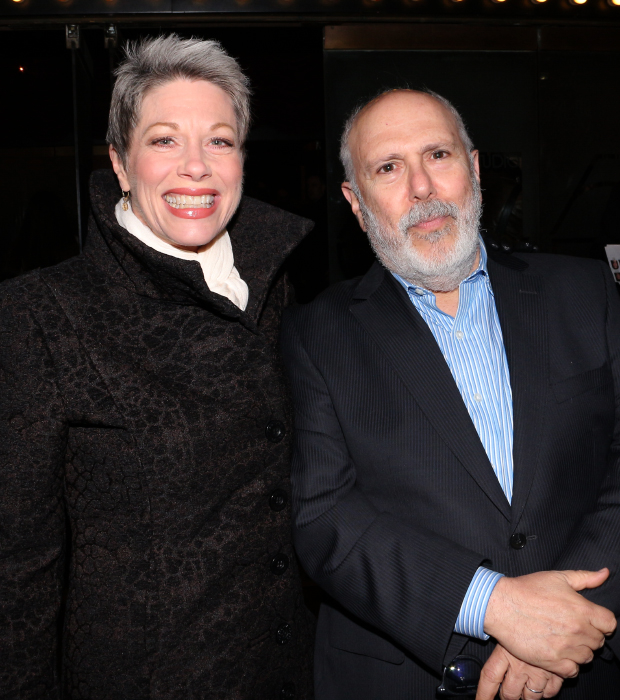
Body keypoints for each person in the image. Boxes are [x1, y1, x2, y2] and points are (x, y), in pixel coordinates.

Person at [0, 35, 314, 699]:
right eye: (164, 140)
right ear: (119, 162)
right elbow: (15, 569)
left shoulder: (279, 289)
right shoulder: (42, 312)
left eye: (220, 140)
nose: (195, 166)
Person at [281, 88, 620, 699]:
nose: (421, 187)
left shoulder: (587, 294)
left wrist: (570, 621)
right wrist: (495, 606)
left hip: (587, 666)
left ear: (475, 169)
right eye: (388, 167)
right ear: (356, 206)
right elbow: (325, 516)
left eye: (438, 154)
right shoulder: (318, 332)